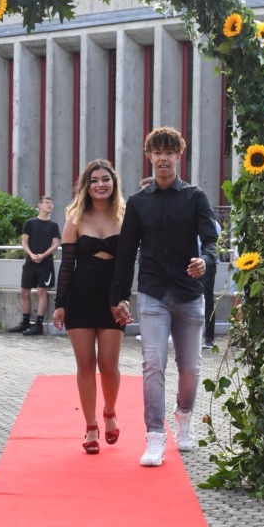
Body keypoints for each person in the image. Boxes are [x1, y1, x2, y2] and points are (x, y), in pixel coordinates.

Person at [110, 126, 218, 466]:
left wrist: (206, 261)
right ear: (149, 157)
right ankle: (155, 435)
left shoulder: (196, 197)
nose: (163, 158)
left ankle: (183, 416)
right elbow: (126, 252)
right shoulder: (138, 202)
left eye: (169, 152)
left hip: (189, 292)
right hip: (153, 292)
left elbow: (211, 241)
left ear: (178, 156)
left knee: (191, 368)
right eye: (157, 152)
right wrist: (119, 296)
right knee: (152, 365)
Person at [52, 161, 126, 454]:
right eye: (94, 180)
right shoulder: (75, 218)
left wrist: (123, 299)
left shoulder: (124, 216)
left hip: (113, 300)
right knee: (85, 364)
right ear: (86, 185)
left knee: (108, 364)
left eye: (105, 179)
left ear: (113, 183)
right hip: (80, 297)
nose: (100, 184)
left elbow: (128, 264)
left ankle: (110, 412)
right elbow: (67, 265)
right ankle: (91, 426)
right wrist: (60, 304)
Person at [8, 196, 60, 336]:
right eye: (47, 202)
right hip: (30, 262)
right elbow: (24, 242)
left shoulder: (53, 225)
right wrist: (31, 254)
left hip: (46, 263)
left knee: (42, 292)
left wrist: (43, 255)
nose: (50, 205)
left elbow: (55, 244)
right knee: (24, 292)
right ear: (39, 205)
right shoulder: (30, 223)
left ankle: (38, 325)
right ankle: (25, 322)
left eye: (52, 203)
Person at [202, 217, 221, 349]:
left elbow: (215, 245)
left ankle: (209, 338)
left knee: (208, 299)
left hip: (208, 264)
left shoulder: (214, 224)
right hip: (192, 262)